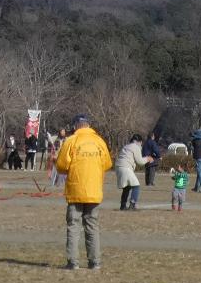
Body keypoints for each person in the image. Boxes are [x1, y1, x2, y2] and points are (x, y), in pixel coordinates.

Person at [54, 113, 112, 272]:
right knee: (92, 226)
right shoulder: (99, 141)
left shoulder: (71, 141)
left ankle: (73, 262)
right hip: (94, 191)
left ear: (75, 126)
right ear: (89, 125)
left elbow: (61, 166)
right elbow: (107, 163)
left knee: (73, 225)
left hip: (75, 191)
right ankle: (95, 262)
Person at [114, 134, 144, 211]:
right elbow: (140, 161)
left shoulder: (126, 146)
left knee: (127, 187)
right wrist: (147, 159)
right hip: (125, 167)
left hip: (118, 167)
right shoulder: (136, 147)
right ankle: (132, 205)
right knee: (136, 186)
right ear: (139, 141)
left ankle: (123, 205)